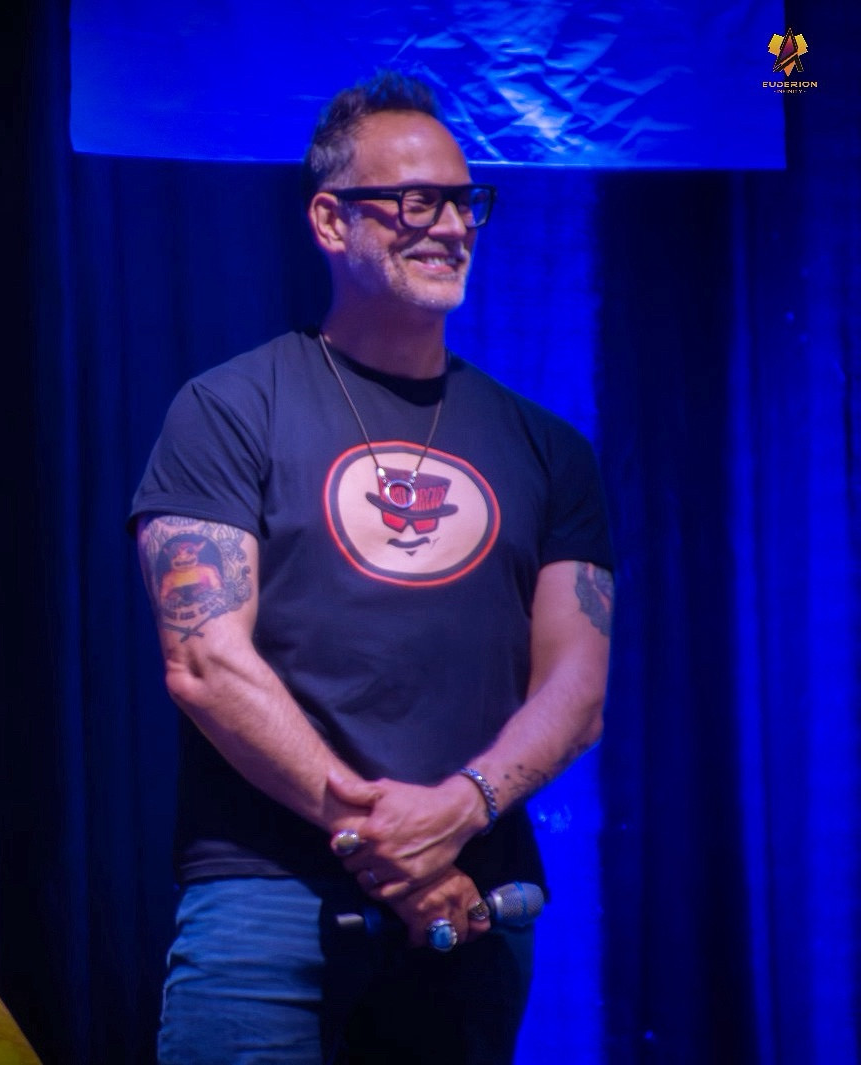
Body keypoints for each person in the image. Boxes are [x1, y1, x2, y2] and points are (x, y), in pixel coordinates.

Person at [130, 69, 615, 1063]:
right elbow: (202, 662)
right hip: (266, 901)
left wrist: (459, 810)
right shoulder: (228, 409)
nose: (449, 225)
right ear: (328, 219)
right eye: (413, 200)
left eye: (464, 200)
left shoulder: (548, 448)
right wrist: (383, 839)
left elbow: (577, 686)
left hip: (472, 902)